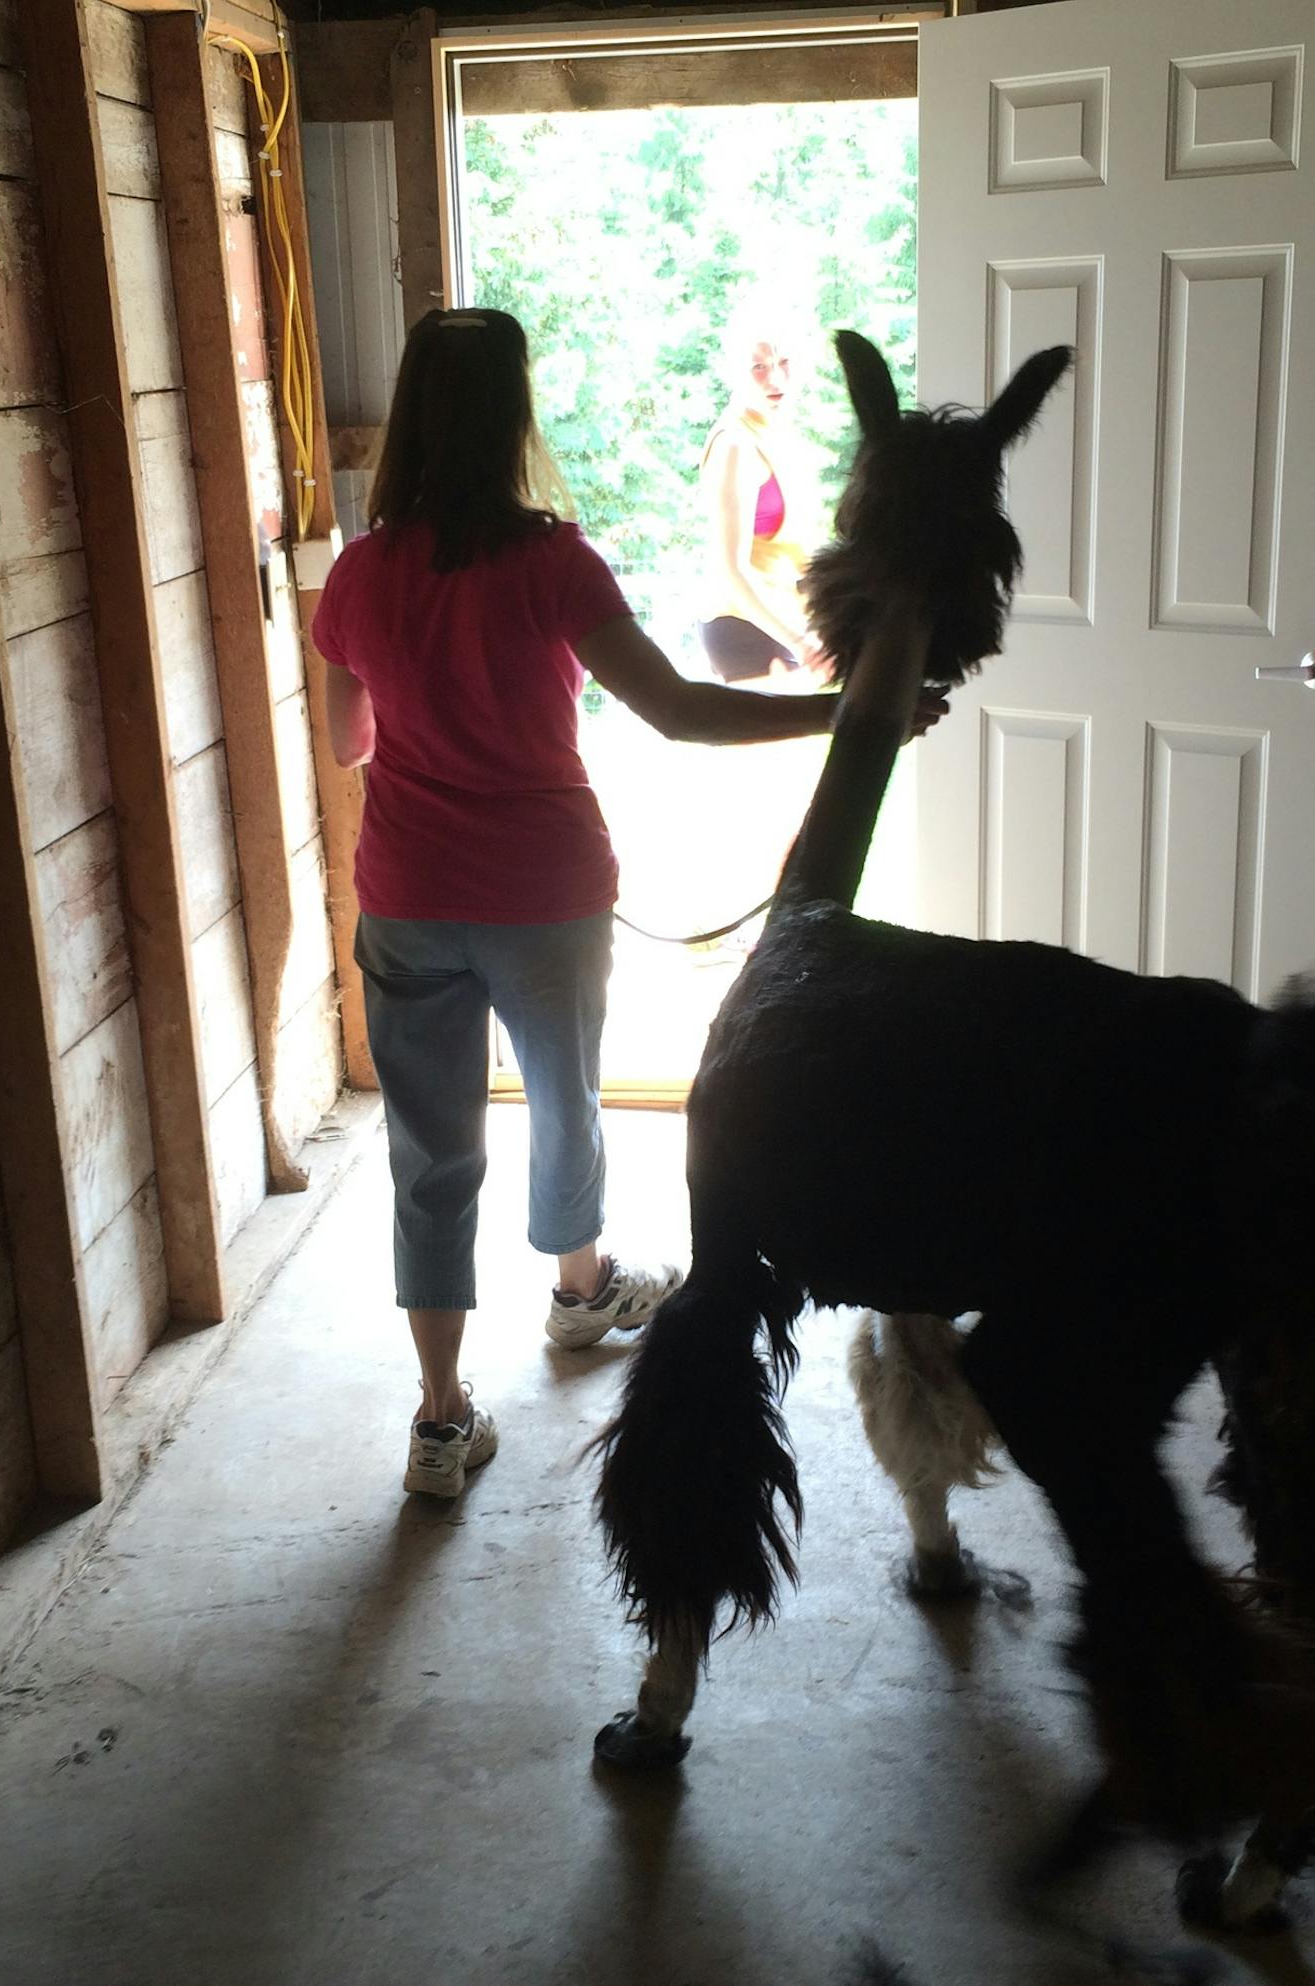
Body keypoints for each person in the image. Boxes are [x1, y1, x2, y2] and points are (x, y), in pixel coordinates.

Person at [310, 308, 934, 1502]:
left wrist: (417, 693)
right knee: (564, 1104)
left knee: (431, 1156)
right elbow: (682, 711)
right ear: (515, 416)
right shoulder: (555, 564)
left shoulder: (357, 571)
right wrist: (850, 713)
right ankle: (580, 1294)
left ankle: (440, 1421)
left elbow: (350, 742)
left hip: (407, 899)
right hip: (544, 894)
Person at [697, 304, 828, 686]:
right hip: (745, 627)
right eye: (759, 366)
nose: (775, 378)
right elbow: (731, 570)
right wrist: (800, 641)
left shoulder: (783, 434)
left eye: (784, 361)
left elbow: (801, 553)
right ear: (735, 372)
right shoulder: (734, 444)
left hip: (787, 621)